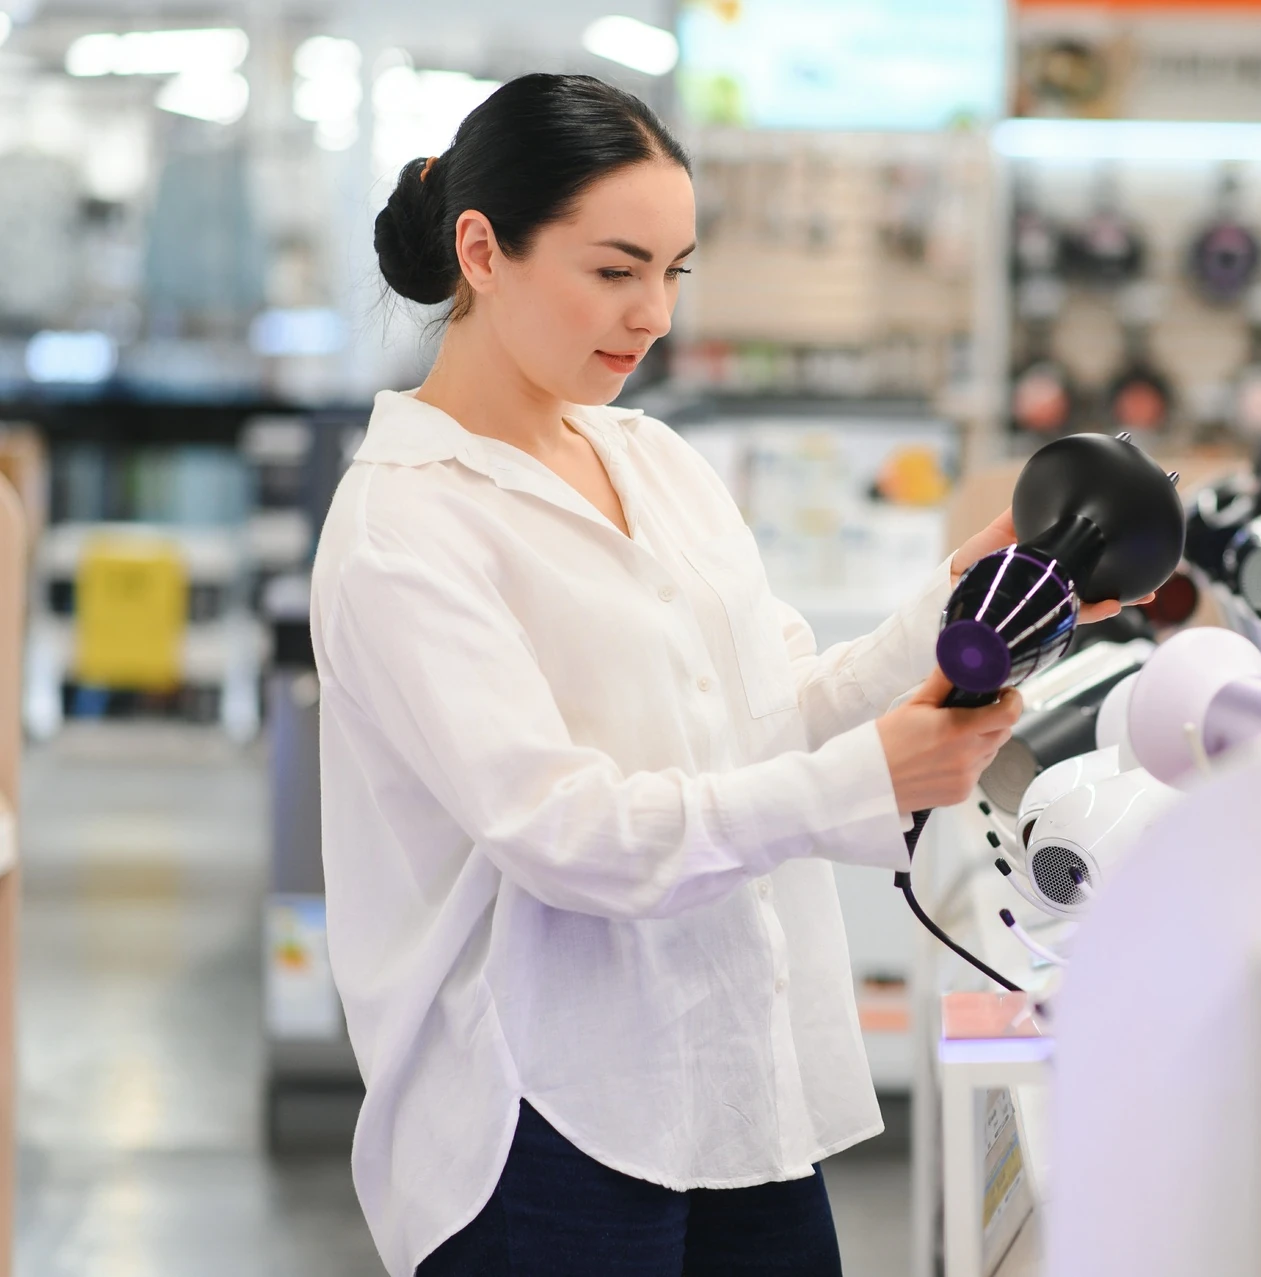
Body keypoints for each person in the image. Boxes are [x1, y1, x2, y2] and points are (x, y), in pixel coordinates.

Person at [311, 74, 1136, 1276]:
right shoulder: (407, 525)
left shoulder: (656, 460)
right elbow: (559, 829)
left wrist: (963, 607)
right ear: (482, 250)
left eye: (676, 271)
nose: (652, 312)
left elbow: (773, 709)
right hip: (536, 1114)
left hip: (733, 1080)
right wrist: (862, 776)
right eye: (614, 268)